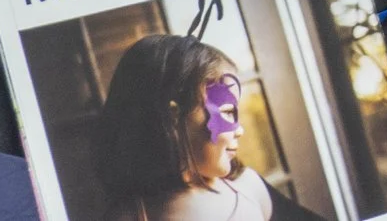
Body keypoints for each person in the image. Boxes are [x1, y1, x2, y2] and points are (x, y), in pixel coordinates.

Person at [91, 33, 321, 221]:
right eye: (227, 112)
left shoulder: (248, 188)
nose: (239, 130)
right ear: (173, 118)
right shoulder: (131, 217)